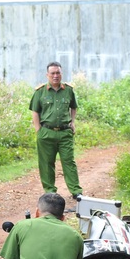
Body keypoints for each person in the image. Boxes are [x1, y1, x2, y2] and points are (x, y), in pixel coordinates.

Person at [29, 62, 82, 199]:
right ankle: (50, 191)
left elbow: (73, 107)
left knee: (68, 161)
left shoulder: (69, 90)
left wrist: (72, 122)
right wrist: (38, 130)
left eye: (58, 73)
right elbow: (35, 111)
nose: (55, 76)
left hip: (65, 132)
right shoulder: (40, 92)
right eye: (52, 73)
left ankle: (76, 191)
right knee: (46, 163)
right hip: (46, 132)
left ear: (61, 74)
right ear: (47, 75)